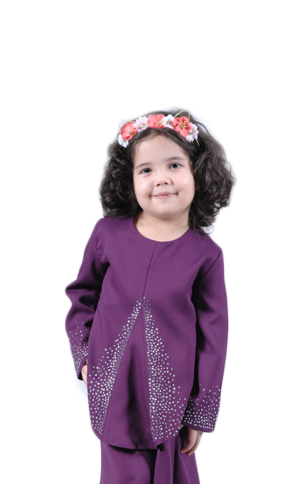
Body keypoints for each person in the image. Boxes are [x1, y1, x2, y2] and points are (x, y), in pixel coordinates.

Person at [64, 109, 236, 484]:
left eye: (174, 165)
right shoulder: (107, 234)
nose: (161, 179)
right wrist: (85, 359)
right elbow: (82, 296)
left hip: (172, 399)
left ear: (198, 173)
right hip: (113, 390)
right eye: (146, 169)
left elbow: (213, 339)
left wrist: (199, 412)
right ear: (129, 181)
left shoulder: (205, 256)